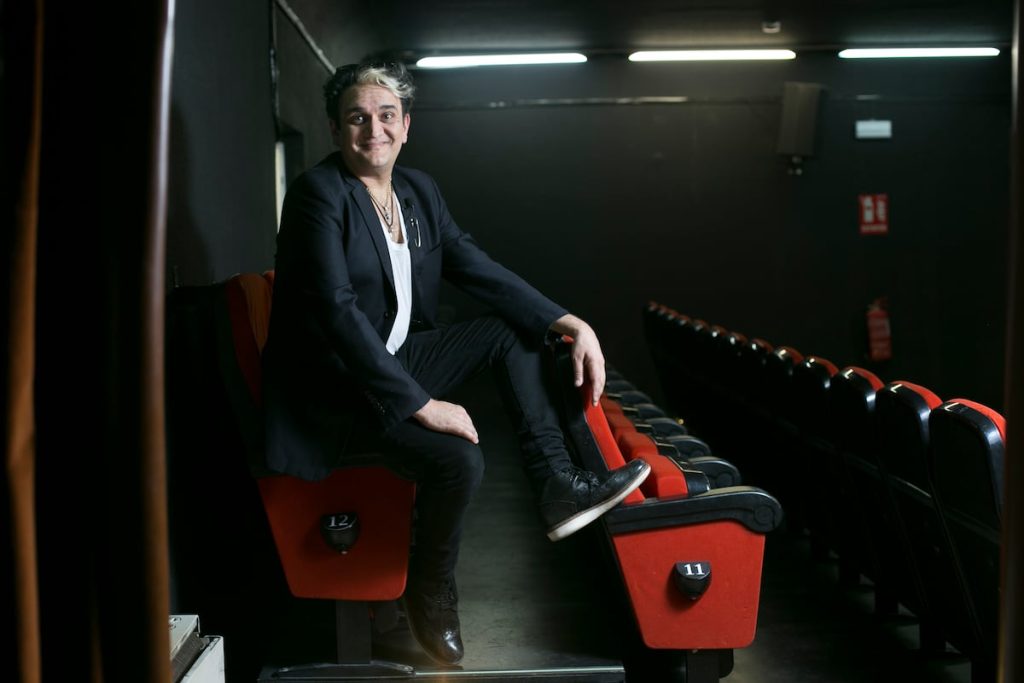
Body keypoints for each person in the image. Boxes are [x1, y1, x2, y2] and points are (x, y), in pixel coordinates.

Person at [261, 56, 649, 666]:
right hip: (334, 392)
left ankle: (558, 483)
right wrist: (422, 404)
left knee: (513, 328)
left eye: (387, 115)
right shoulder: (318, 194)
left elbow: (477, 268)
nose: (374, 130)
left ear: (406, 125)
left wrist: (570, 321)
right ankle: (431, 589)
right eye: (357, 118)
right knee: (459, 459)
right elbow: (337, 313)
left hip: (391, 364)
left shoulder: (418, 191)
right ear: (336, 130)